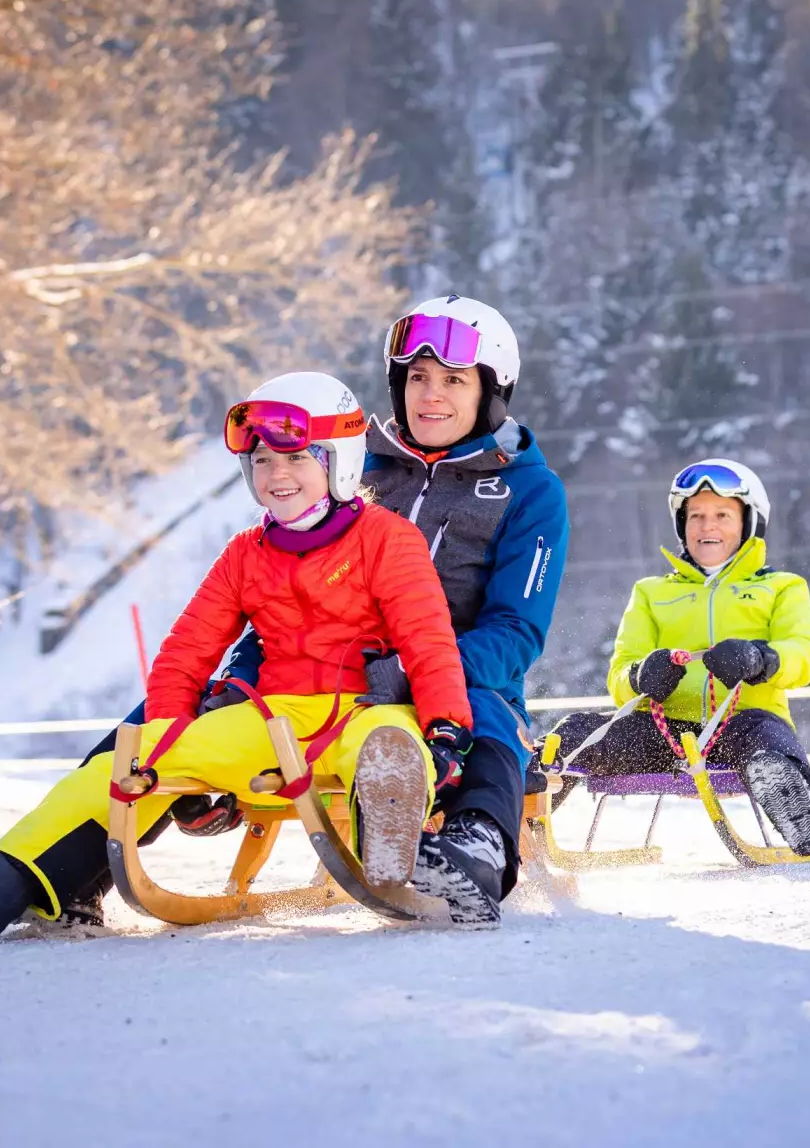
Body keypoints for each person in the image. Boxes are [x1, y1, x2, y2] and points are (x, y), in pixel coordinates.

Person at [44, 295, 567, 927]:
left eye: (453, 381)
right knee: (159, 718)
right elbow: (274, 593)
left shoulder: (529, 490)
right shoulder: (345, 462)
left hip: (457, 682)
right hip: (318, 680)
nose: (430, 395)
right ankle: (58, 869)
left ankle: (471, 850)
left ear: (491, 391)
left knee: (483, 709)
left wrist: (416, 671)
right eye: (416, 378)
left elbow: (516, 631)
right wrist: (236, 684)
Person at [0, 372, 474, 939]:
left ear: (340, 462)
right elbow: (186, 653)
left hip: (364, 707)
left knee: (384, 747)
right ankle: (4, 885)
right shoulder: (245, 554)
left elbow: (428, 642)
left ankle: (392, 840)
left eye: (297, 459)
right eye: (263, 462)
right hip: (269, 720)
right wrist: (175, 744)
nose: (276, 475)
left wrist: (446, 729)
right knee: (133, 760)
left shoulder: (388, 539)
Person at [547, 459, 810, 855]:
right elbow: (619, 674)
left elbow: (802, 654)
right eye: (695, 515)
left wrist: (758, 659)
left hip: (740, 725)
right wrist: (643, 676)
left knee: (767, 738)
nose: (707, 526)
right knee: (572, 734)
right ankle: (520, 815)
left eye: (722, 515)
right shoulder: (651, 592)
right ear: (682, 525)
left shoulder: (781, 587)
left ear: (748, 523)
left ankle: (789, 799)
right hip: (662, 734)